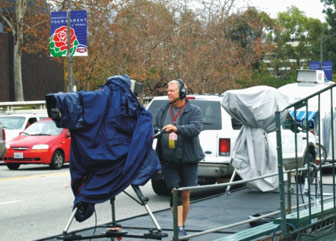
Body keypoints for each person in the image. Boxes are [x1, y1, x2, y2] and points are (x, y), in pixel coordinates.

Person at [155, 79, 204, 238]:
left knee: (185, 194)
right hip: (168, 160)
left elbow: (195, 128)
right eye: (167, 90)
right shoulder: (163, 110)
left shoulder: (194, 110)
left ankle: (182, 224)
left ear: (182, 93)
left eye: (172, 90)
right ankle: (179, 227)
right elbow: (156, 126)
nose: (168, 93)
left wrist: (177, 128)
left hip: (188, 159)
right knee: (174, 192)